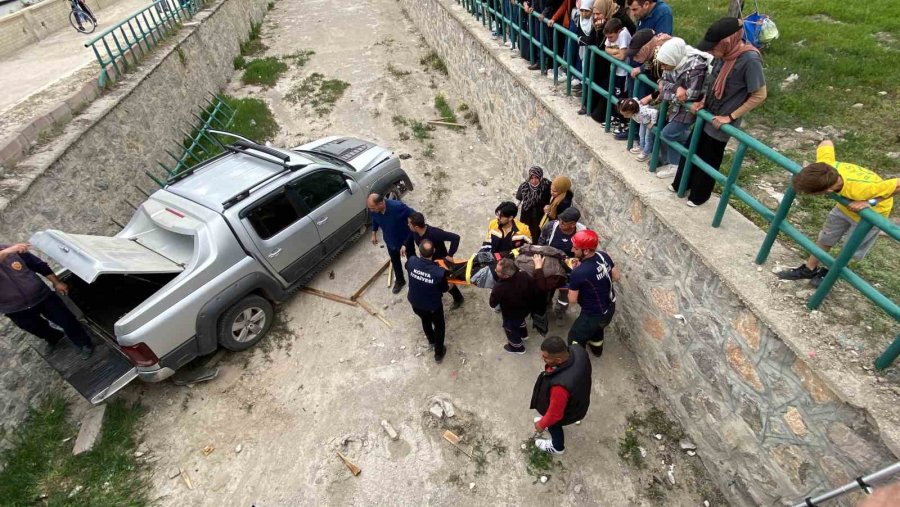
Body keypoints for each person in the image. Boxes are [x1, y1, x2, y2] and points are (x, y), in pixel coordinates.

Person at [671, 17, 767, 207]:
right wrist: (702, 101)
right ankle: (681, 184)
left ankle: (698, 196)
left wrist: (730, 117)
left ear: (726, 42)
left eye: (713, 47)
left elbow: (759, 94)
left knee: (709, 157)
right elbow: (713, 82)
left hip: (721, 120)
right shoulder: (723, 56)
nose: (710, 51)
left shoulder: (750, 60)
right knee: (691, 149)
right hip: (707, 112)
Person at [777, 140, 898, 286]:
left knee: (850, 249)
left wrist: (870, 202)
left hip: (870, 215)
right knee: (826, 237)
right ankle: (809, 269)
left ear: (828, 190)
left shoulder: (862, 189)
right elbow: (826, 142)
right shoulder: (826, 166)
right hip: (844, 208)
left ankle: (830, 272)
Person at [0, 243, 94, 359]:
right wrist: (6, 252)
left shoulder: (14, 251)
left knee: (66, 320)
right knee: (36, 329)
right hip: (14, 308)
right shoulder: (10, 250)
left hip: (42, 296)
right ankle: (53, 337)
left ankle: (84, 343)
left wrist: (57, 282)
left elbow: (38, 265)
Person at [652, 37, 713, 179]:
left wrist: (668, 91)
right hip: (676, 106)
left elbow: (691, 95)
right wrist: (676, 88)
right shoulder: (673, 62)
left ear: (674, 58)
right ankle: (674, 161)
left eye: (664, 65)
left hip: (690, 108)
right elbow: (664, 81)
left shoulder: (696, 67)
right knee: (666, 132)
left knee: (668, 134)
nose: (662, 68)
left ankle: (677, 163)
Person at [529, 335, 592, 455]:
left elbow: (555, 415)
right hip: (579, 399)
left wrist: (542, 424)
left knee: (553, 424)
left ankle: (557, 447)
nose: (542, 358)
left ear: (558, 360)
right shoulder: (578, 350)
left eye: (545, 357)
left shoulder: (559, 387)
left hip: (569, 411)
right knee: (550, 420)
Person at [567, 230, 619, 356]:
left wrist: (575, 274)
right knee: (597, 330)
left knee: (574, 339)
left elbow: (572, 300)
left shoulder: (579, 273)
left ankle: (578, 360)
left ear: (585, 251)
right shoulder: (603, 256)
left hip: (592, 315)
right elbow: (616, 276)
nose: (572, 250)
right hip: (609, 307)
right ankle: (597, 351)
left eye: (576, 248)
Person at [408, 212, 465, 310]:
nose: (408, 225)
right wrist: (404, 245)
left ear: (416, 227)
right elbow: (409, 237)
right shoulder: (414, 232)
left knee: (446, 279)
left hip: (441, 262)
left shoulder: (435, 233)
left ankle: (458, 298)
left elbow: (455, 238)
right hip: (428, 261)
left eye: (409, 223)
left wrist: (450, 255)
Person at [406, 240, 450, 362]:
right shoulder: (439, 272)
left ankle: (431, 340)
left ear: (419, 251)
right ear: (434, 251)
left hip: (415, 302)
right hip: (432, 307)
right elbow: (445, 289)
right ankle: (438, 353)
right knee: (439, 327)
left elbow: (408, 268)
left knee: (425, 320)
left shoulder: (412, 261)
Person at [538, 207, 586, 317]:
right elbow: (541, 244)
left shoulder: (582, 233)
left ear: (573, 224)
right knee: (547, 290)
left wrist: (578, 261)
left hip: (569, 272)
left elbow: (585, 253)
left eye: (564, 222)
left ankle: (560, 312)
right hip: (550, 269)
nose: (560, 223)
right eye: (559, 220)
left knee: (565, 295)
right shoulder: (550, 227)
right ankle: (547, 307)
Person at [489, 258, 542, 354]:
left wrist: (493, 294)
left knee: (511, 329)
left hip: (511, 314)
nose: (495, 271)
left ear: (505, 275)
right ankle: (523, 334)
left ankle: (517, 348)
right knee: (520, 321)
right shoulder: (524, 275)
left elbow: (492, 304)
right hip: (525, 309)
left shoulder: (499, 288)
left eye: (497, 270)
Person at [368, 193, 416, 294]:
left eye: (373, 208)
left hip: (405, 241)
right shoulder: (374, 211)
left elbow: (415, 216)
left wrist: (406, 242)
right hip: (390, 242)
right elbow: (374, 219)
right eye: (370, 208)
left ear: (381, 203)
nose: (371, 210)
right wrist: (374, 233)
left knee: (412, 261)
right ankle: (400, 281)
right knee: (395, 261)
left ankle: (414, 280)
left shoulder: (398, 207)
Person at [603, 17, 633, 139]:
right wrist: (615, 52)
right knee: (614, 95)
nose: (609, 40)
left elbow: (622, 56)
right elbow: (606, 48)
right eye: (608, 37)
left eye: (611, 37)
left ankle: (624, 122)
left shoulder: (624, 34)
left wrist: (612, 52)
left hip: (623, 73)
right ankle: (616, 118)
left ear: (618, 31)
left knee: (622, 98)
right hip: (615, 71)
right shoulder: (612, 33)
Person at [516, 166, 552, 240]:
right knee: (525, 230)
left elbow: (552, 197)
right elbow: (518, 200)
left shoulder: (547, 185)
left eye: (536, 178)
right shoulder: (524, 186)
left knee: (538, 232)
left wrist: (549, 206)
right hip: (526, 214)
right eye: (532, 178)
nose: (534, 181)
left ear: (540, 177)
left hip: (540, 214)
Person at [618, 98, 658, 162]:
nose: (625, 116)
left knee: (647, 138)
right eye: (623, 114)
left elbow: (654, 112)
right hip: (643, 121)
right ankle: (641, 147)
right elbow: (635, 98)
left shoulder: (642, 111)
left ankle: (646, 152)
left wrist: (652, 122)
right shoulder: (633, 108)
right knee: (641, 134)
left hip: (649, 122)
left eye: (627, 114)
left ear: (632, 110)